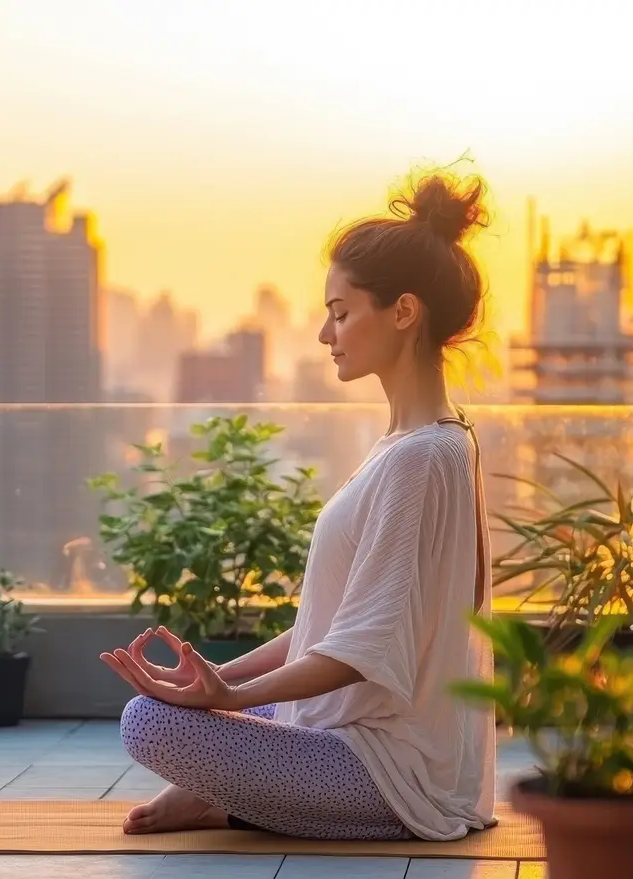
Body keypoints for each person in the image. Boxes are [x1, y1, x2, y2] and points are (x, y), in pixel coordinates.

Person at [100, 169, 497, 843]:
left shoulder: (420, 458)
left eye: (341, 313)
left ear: (404, 311)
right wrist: (217, 677)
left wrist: (229, 701)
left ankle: (233, 801)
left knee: (149, 723)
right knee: (168, 711)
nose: (324, 332)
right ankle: (234, 796)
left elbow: (357, 651)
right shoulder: (417, 445)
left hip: (392, 777)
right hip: (356, 747)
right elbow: (334, 627)